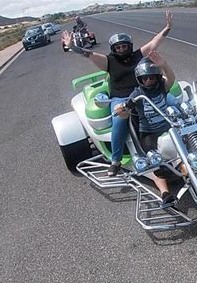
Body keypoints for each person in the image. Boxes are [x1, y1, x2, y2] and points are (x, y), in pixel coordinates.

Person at [61, 11, 173, 177]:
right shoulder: (108, 61)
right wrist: (72, 46)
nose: (121, 49)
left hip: (143, 93)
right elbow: (88, 54)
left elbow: (154, 43)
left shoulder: (137, 55)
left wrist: (168, 28)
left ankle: (192, 137)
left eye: (124, 46)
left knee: (174, 103)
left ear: (130, 45)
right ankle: (116, 160)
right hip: (120, 98)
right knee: (119, 121)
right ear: (113, 48)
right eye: (118, 47)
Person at [114, 51, 178, 204]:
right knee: (155, 162)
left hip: (168, 128)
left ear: (157, 76)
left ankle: (193, 176)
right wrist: (121, 109)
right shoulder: (137, 94)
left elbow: (172, 78)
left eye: (152, 77)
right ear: (140, 79)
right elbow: (124, 114)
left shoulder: (162, 86)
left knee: (185, 151)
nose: (149, 80)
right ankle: (165, 194)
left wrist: (163, 65)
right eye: (145, 78)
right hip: (149, 133)